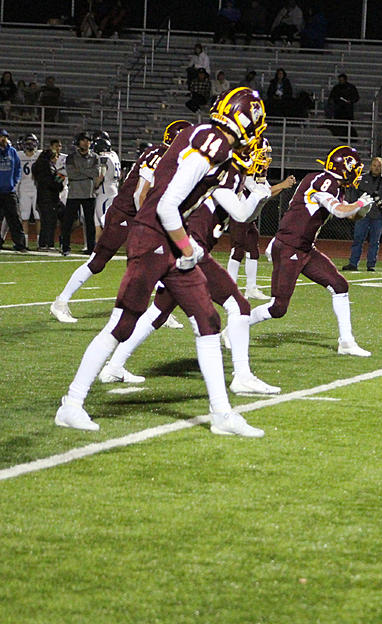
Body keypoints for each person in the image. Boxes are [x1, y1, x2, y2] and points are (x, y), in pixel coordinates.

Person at [54, 86, 268, 437]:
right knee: (123, 324)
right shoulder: (212, 144)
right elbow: (168, 205)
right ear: (247, 120)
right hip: (154, 235)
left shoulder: (208, 138)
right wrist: (187, 248)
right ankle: (72, 404)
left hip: (169, 237)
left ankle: (222, 415)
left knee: (208, 319)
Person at [100, 139, 279, 395]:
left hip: (186, 247)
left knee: (159, 311)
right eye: (260, 151)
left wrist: (258, 198)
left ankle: (113, 366)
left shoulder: (236, 175)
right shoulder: (225, 172)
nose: (263, 158)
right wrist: (256, 198)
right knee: (238, 305)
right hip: (191, 248)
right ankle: (242, 375)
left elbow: (244, 214)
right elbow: (239, 214)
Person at [51, 121, 194, 324]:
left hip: (136, 214)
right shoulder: (159, 156)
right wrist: (149, 222)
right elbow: (139, 194)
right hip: (125, 214)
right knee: (98, 262)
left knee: (157, 261)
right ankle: (60, 302)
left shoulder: (169, 157)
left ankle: (160, 310)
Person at [247, 145, 374, 357]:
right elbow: (339, 211)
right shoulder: (323, 181)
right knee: (278, 308)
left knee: (339, 285)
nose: (358, 173)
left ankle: (346, 342)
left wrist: (361, 210)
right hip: (289, 247)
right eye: (355, 167)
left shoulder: (334, 184)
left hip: (305, 248)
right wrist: (359, 203)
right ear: (345, 168)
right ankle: (234, 329)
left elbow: (350, 215)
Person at [227, 142, 296, 299]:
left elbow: (267, 193)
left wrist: (282, 187)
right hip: (239, 216)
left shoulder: (258, 175)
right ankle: (230, 288)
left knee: (253, 251)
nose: (266, 158)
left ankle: (251, 288)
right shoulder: (243, 174)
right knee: (237, 251)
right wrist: (282, 185)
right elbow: (261, 192)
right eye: (263, 154)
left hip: (250, 218)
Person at [342, 157, 382, 271]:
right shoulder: (362, 178)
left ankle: (371, 265)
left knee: (374, 241)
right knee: (358, 239)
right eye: (374, 165)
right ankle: (353, 263)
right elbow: (353, 192)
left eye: (378, 166)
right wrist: (355, 206)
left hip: (378, 216)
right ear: (370, 166)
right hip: (362, 214)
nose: (376, 168)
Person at [64, 132, 101, 255]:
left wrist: (80, 170)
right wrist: (87, 172)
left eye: (88, 141)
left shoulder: (95, 157)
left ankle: (91, 248)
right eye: (84, 140)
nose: (86, 143)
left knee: (90, 223)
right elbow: (71, 174)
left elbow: (95, 173)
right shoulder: (71, 157)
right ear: (78, 142)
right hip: (74, 193)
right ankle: (65, 247)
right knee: (68, 222)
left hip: (89, 194)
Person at [35, 140, 65, 251]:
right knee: (50, 222)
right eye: (56, 156)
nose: (57, 158)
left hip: (44, 198)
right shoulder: (49, 168)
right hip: (49, 198)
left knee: (46, 221)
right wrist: (60, 179)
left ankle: (43, 244)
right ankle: (47, 244)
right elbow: (53, 184)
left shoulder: (40, 167)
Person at [0, 129, 27, 252]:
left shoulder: (12, 152)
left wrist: (14, 182)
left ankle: (20, 244)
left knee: (15, 218)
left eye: (4, 137)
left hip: (9, 190)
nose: (2, 139)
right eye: (1, 137)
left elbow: (17, 168)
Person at [92, 132, 120, 242]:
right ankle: (96, 249)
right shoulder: (114, 155)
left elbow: (101, 175)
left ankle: (107, 249)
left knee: (105, 223)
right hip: (112, 189)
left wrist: (94, 186)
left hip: (105, 193)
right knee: (97, 223)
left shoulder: (103, 158)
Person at [16, 134, 41, 248]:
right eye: (28, 142)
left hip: (36, 188)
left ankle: (40, 243)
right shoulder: (18, 155)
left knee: (38, 217)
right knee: (24, 217)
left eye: (32, 142)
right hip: (24, 188)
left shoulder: (40, 155)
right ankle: (24, 243)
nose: (30, 144)